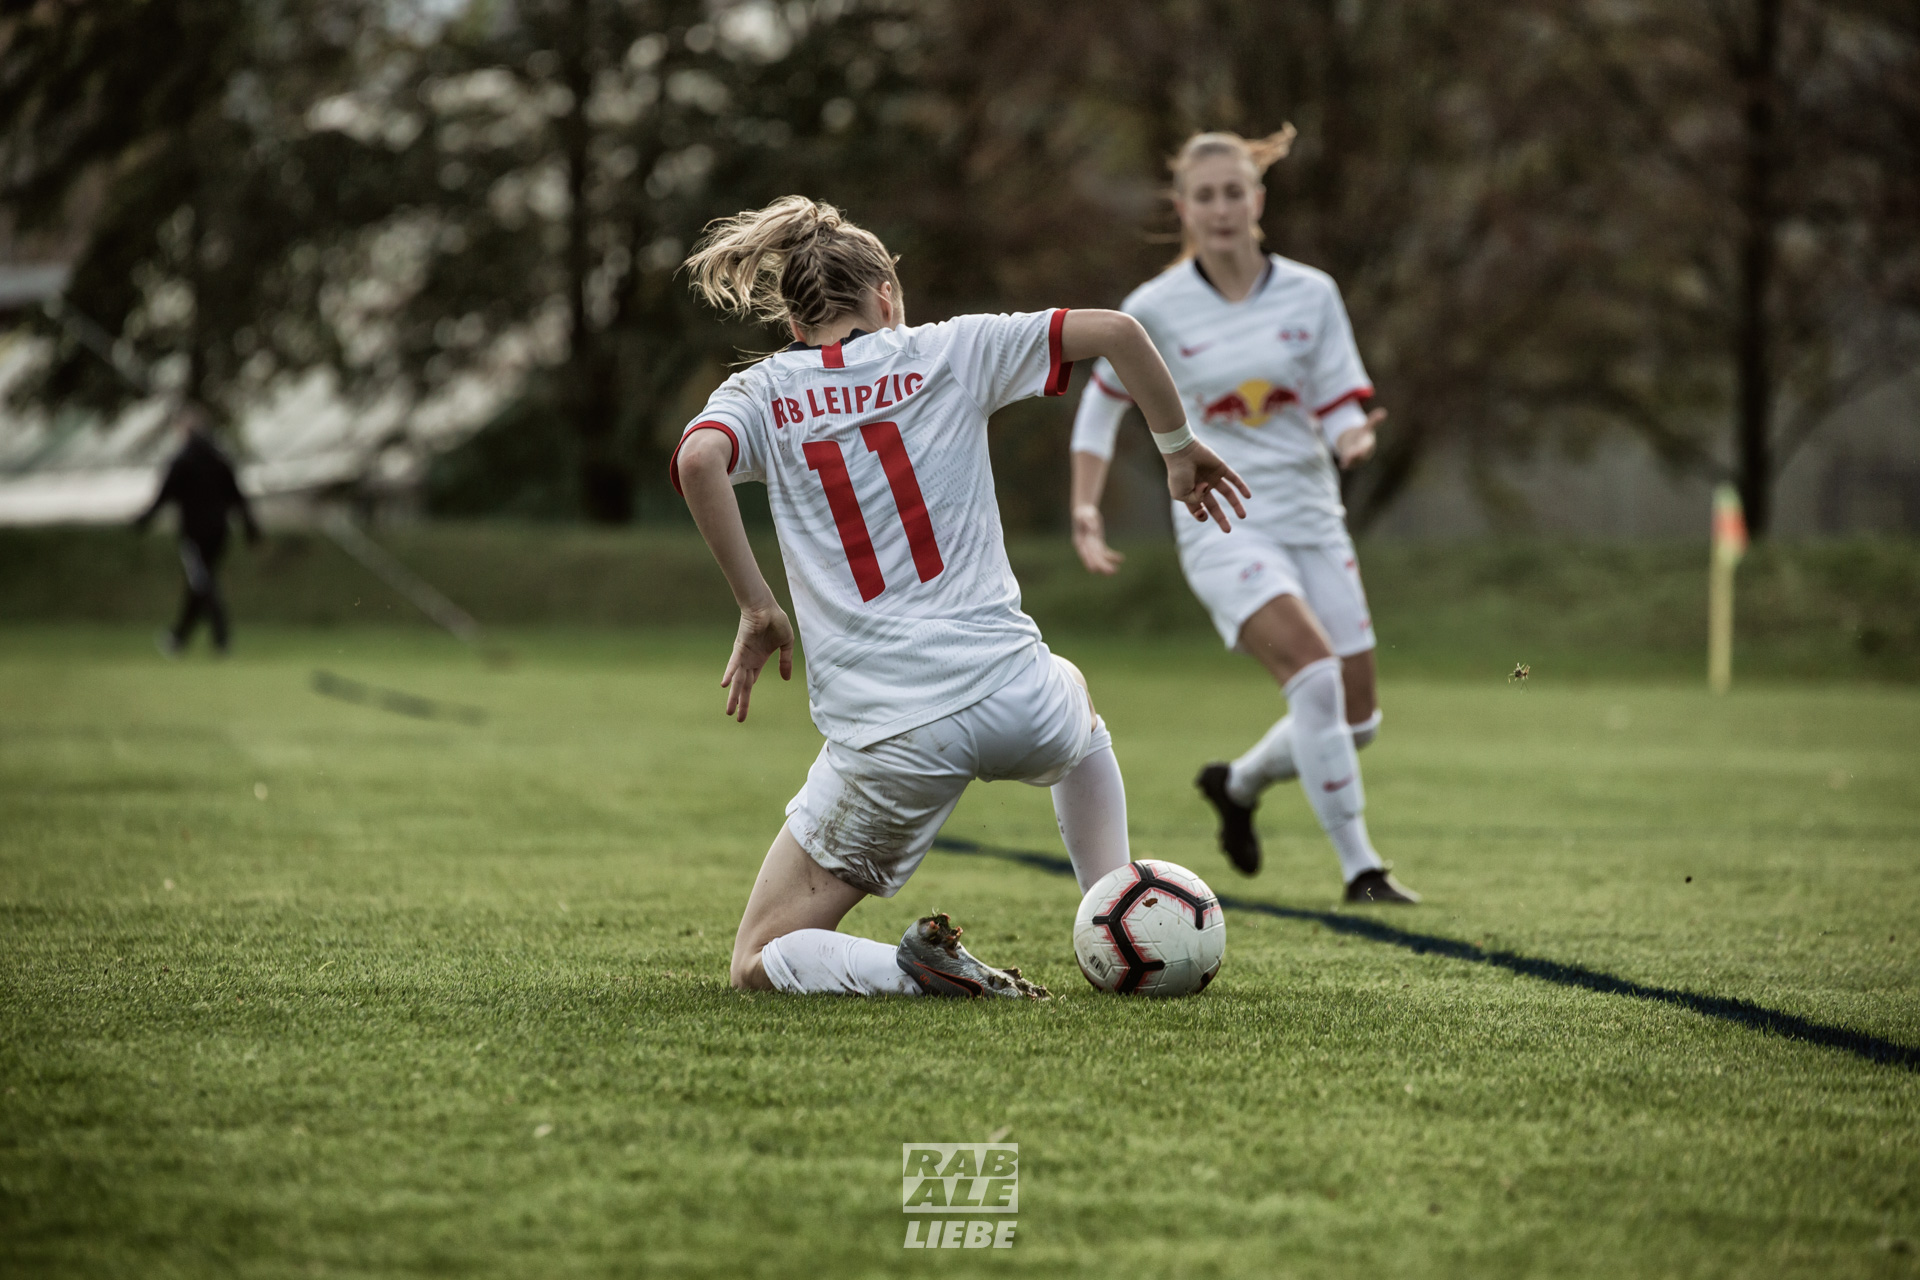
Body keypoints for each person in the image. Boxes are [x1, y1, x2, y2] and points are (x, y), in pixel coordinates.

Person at [672, 196, 1249, 998]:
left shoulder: (764, 392)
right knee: (1077, 709)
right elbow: (1119, 333)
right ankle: (1115, 909)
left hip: (891, 734)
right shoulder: (948, 348)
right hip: (1015, 693)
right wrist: (1177, 450)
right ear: (886, 298)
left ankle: (909, 972)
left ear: (796, 323)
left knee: (758, 957)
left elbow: (698, 461)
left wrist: (757, 607)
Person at [1066, 126, 1418, 905]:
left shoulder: (1312, 293)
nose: (1222, 208)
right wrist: (1085, 507)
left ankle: (1238, 784)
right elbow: (1099, 411)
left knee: (1357, 720)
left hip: (1313, 516)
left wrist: (1353, 437)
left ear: (1258, 200)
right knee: (1317, 679)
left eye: (1234, 192)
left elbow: (1338, 402)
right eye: (1206, 196)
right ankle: (1362, 869)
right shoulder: (1153, 308)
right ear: (1183, 209)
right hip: (1222, 521)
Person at [134, 403, 260, 656]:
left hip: (194, 534)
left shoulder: (183, 460)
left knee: (202, 583)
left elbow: (164, 496)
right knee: (199, 583)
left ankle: (222, 637)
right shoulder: (220, 457)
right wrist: (250, 527)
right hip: (220, 532)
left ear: (184, 429)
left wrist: (143, 520)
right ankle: (178, 638)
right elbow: (238, 496)